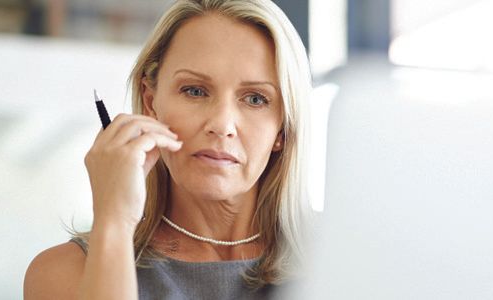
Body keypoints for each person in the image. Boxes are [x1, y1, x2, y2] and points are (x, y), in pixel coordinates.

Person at [23, 0, 313, 298]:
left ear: (283, 128)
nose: (222, 124)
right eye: (195, 91)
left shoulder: (344, 254)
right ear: (151, 103)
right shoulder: (65, 273)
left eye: (255, 99)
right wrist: (114, 220)